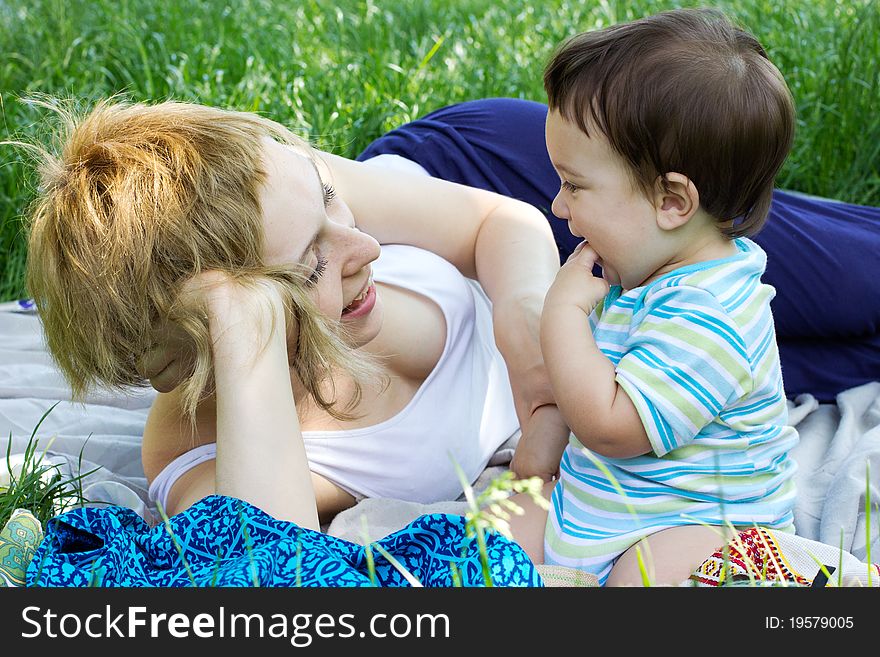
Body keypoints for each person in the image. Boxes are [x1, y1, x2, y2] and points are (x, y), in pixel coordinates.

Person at [23, 98, 568, 531]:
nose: (367, 249)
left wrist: (528, 330)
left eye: (329, 197)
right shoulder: (196, 454)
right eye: (310, 270)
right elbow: (270, 560)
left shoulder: (290, 200)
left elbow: (495, 220)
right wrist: (241, 318)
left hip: (484, 165)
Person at [499, 7, 801, 586]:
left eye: (574, 185)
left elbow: (612, 427)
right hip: (605, 511)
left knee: (647, 580)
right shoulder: (637, 269)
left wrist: (560, 315)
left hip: (703, 525)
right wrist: (538, 461)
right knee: (492, 536)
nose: (558, 206)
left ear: (671, 201)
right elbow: (588, 376)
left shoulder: (711, 314)